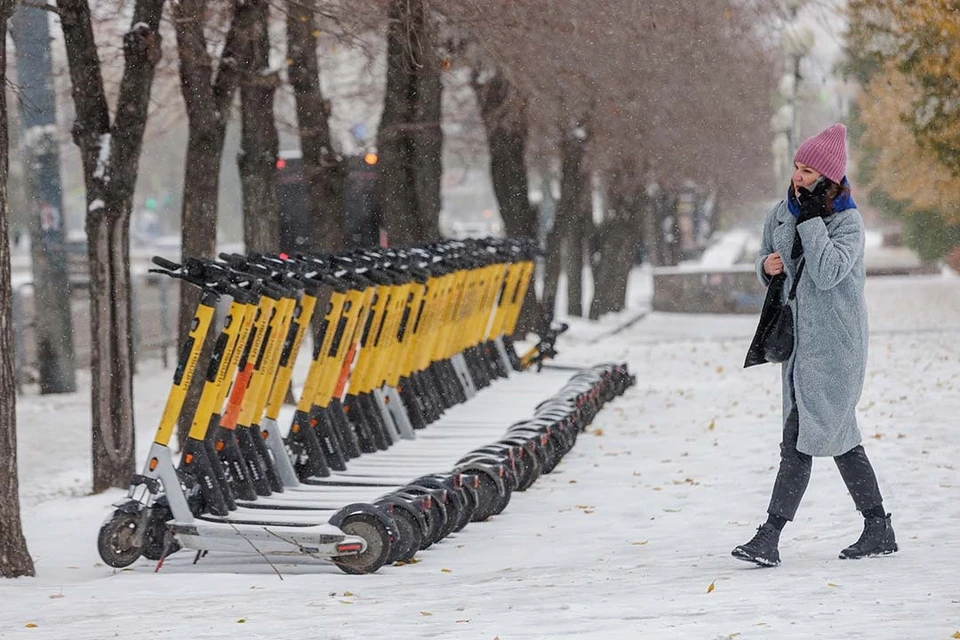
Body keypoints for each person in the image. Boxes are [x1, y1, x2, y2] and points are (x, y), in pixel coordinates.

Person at [732, 123, 897, 567]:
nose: (798, 176)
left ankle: (770, 535)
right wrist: (765, 268)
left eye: (808, 170)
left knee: (798, 438)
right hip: (798, 345)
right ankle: (878, 526)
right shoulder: (780, 212)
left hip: (837, 346)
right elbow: (771, 262)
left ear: (828, 178)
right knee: (839, 438)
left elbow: (826, 272)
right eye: (796, 167)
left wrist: (810, 222)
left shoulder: (847, 222)